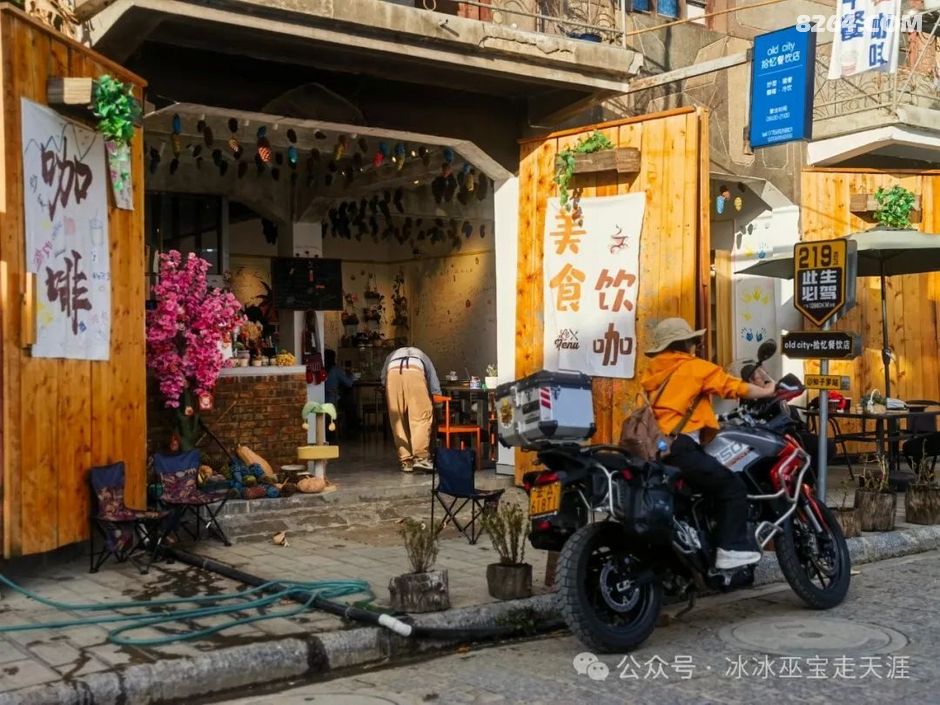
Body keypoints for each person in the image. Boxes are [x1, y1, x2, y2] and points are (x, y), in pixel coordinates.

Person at [641, 318, 776, 571]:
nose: (695, 346)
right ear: (685, 344)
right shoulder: (695, 368)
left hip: (657, 447)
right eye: (693, 341)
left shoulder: (653, 371)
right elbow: (734, 388)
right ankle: (731, 549)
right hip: (681, 445)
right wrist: (768, 390)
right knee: (732, 488)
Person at [381, 346, 442, 472]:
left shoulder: (391, 355)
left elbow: (383, 378)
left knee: (397, 420)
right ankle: (421, 458)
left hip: (392, 374)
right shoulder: (422, 355)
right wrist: (438, 404)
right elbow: (433, 381)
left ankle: (406, 461)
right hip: (415, 371)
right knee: (421, 416)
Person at [324, 350, 355, 439]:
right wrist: (350, 374)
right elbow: (349, 383)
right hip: (333, 401)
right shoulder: (336, 370)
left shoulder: (321, 370)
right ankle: (350, 428)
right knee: (349, 402)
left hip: (321, 400)